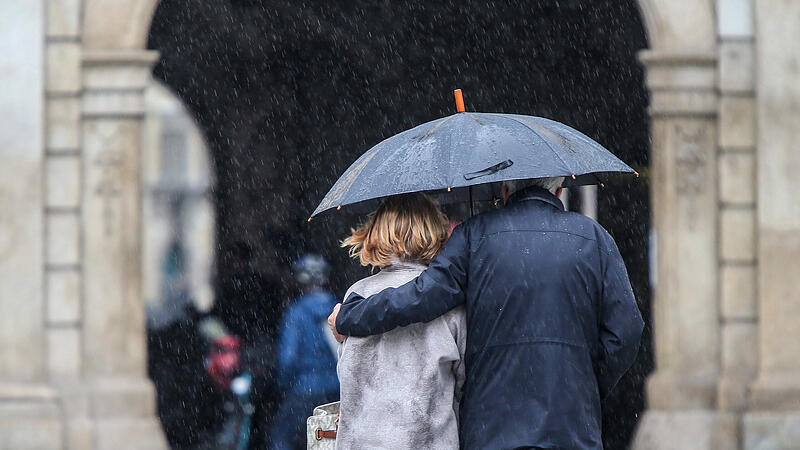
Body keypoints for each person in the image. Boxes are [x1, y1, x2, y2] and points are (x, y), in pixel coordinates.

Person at [329, 177, 644, 450]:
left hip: (493, 429)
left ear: (504, 191)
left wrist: (349, 317)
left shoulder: (474, 236)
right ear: (559, 190)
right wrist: (582, 385)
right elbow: (626, 330)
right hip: (571, 426)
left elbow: (422, 296)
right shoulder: (594, 238)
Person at [336, 193, 467, 449]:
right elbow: (464, 384)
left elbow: (346, 370)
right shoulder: (448, 300)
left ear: (377, 233)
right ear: (434, 233)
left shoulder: (357, 295)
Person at [269, 254, 340, 450]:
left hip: (303, 389)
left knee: (281, 438)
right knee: (327, 440)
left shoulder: (296, 312)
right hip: (336, 388)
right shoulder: (339, 307)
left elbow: (288, 358)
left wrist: (283, 385)